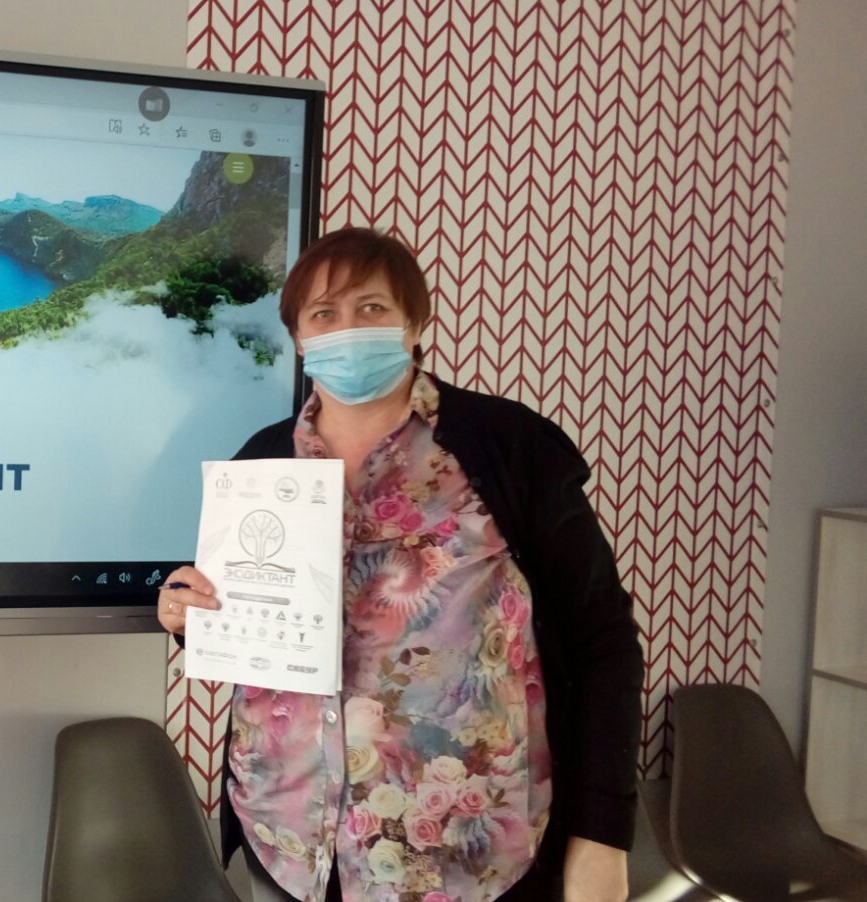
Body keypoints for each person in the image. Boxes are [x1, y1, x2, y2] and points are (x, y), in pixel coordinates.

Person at [157, 227, 643, 902]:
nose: (347, 329)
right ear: (298, 337)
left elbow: (602, 641)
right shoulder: (263, 459)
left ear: (414, 323)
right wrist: (191, 614)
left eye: (372, 308)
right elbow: (254, 618)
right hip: (292, 841)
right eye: (324, 314)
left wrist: (601, 833)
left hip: (467, 853)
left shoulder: (508, 447)